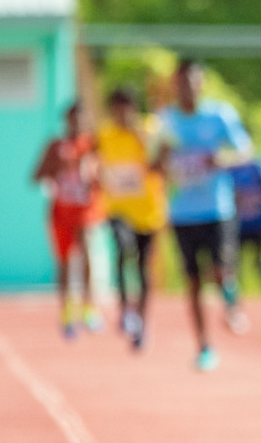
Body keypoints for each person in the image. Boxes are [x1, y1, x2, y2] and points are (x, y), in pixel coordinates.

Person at [158, 59, 254, 371]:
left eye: (193, 81)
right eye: (182, 82)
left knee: (220, 270)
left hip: (217, 208)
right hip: (182, 212)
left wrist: (221, 160)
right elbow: (154, 164)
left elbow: (246, 151)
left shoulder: (219, 115)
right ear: (175, 84)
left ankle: (230, 299)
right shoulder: (165, 120)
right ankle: (203, 346)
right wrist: (164, 159)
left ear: (202, 83)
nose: (188, 88)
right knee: (193, 282)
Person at [97, 86, 168, 350]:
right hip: (119, 208)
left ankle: (141, 321)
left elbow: (157, 162)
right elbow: (93, 158)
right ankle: (125, 311)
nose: (121, 114)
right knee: (122, 247)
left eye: (125, 108)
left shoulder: (149, 129)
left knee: (142, 267)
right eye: (116, 109)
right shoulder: (105, 134)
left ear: (134, 109)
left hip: (148, 212)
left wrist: (140, 135)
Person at [33, 103, 104, 338]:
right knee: (64, 262)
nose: (77, 124)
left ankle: (88, 308)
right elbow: (36, 176)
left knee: (86, 254)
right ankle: (66, 313)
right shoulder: (55, 146)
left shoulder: (93, 145)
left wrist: (94, 173)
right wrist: (57, 167)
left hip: (84, 210)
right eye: (73, 119)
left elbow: (104, 177)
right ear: (66, 120)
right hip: (61, 211)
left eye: (82, 119)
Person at [230, 155, 261, 289]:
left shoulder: (258, 166)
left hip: (258, 221)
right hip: (237, 223)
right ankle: (235, 290)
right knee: (234, 258)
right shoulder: (229, 168)